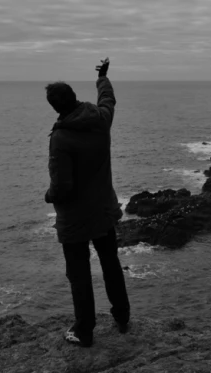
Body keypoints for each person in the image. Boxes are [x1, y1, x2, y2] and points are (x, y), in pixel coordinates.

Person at [44, 57, 130, 347]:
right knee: (110, 263)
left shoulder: (62, 137)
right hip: (103, 210)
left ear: (55, 107)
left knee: (79, 273)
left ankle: (84, 330)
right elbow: (108, 99)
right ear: (74, 97)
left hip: (76, 219)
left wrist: (49, 196)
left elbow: (62, 187)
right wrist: (103, 77)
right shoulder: (99, 119)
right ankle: (122, 317)